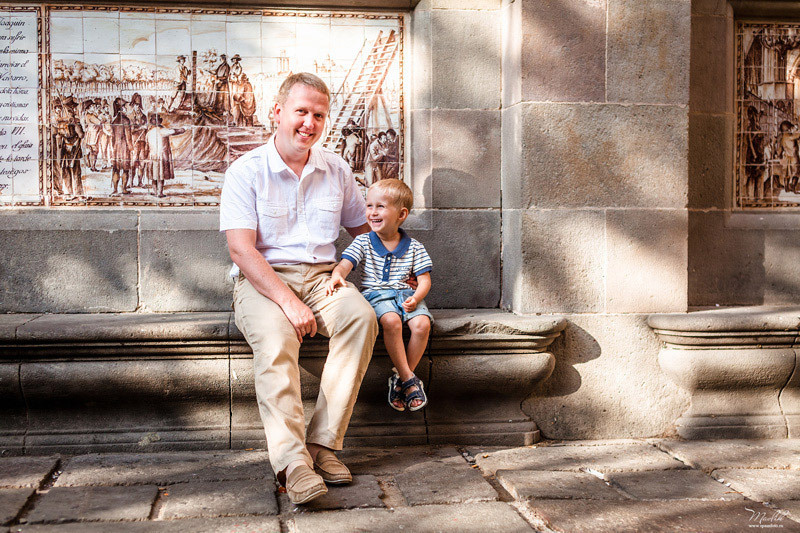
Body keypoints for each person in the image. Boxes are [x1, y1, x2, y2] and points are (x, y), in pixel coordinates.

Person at [220, 73, 378, 505]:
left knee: (362, 318)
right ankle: (292, 466)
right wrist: (289, 302)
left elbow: (364, 231)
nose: (309, 123)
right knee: (275, 341)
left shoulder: (337, 169)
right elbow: (241, 250)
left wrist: (393, 278)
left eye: (319, 115)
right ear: (278, 112)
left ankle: (321, 446)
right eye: (301, 112)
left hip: (324, 277)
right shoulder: (246, 171)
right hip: (264, 281)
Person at [326, 178, 432, 412]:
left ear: (401, 214)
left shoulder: (415, 247)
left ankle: (401, 378)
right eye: (369, 206)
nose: (372, 212)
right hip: (377, 295)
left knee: (422, 325)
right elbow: (345, 264)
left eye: (380, 206)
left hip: (406, 294)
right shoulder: (363, 241)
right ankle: (409, 380)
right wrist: (337, 275)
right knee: (391, 321)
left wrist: (416, 297)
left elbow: (424, 280)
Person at [146, 115, 186, 197]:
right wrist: (183, 129)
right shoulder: (162, 130)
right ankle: (160, 193)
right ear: (159, 121)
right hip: (161, 156)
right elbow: (174, 131)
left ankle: (155, 191)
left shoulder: (149, 133)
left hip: (152, 156)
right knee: (161, 176)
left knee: (154, 176)